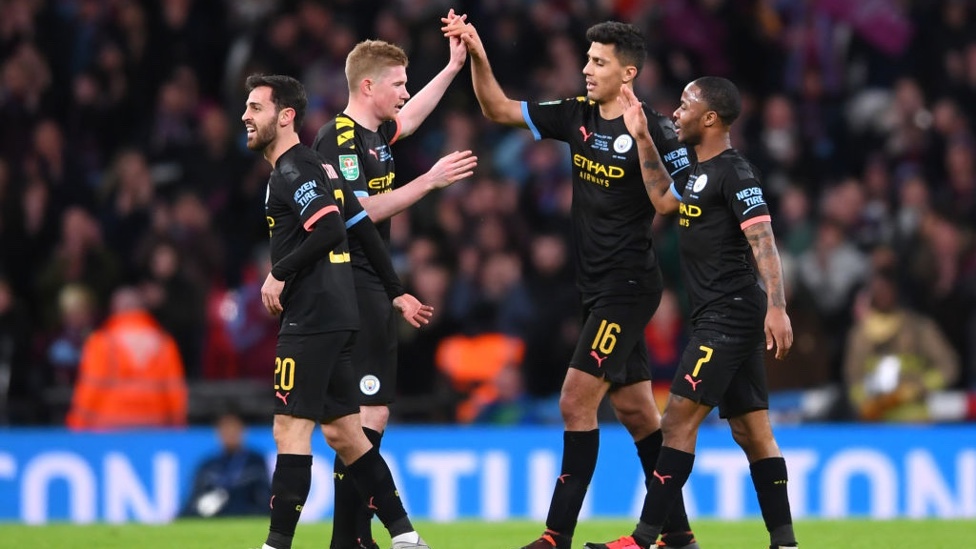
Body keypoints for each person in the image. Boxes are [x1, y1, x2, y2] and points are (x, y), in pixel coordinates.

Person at [442, 17, 699, 549]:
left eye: (598, 62)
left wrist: (643, 138)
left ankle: (556, 535)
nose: (586, 69)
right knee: (634, 410)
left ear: (627, 72)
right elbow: (498, 108)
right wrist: (478, 54)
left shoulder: (658, 128)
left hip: (629, 285)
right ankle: (678, 535)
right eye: (587, 59)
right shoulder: (575, 115)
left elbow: (671, 202)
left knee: (574, 400)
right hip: (596, 286)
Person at [602, 76, 797, 549]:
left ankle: (645, 539)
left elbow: (763, 240)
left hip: (729, 315)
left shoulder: (736, 173)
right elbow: (664, 201)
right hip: (719, 312)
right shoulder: (694, 173)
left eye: (687, 104)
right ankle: (785, 542)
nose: (678, 111)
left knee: (677, 421)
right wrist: (645, 137)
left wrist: (777, 307)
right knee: (751, 430)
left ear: (710, 118)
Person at [242, 73, 434, 549]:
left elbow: (329, 229)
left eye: (256, 108)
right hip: (340, 313)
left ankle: (275, 545)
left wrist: (280, 272)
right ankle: (406, 537)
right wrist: (395, 290)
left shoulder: (294, 169)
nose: (245, 116)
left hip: (311, 316)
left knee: (289, 427)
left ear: (286, 116)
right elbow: (360, 224)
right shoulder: (319, 168)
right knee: (347, 434)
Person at [311, 22, 477, 549]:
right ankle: (353, 537)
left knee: (372, 413)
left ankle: (352, 537)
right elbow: (359, 209)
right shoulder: (337, 137)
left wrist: (452, 69)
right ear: (367, 87)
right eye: (399, 83)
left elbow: (412, 116)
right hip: (346, 280)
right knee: (359, 417)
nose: (405, 91)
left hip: (374, 282)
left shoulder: (376, 137)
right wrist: (428, 180)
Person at [844, 266, 959, 422]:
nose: (882, 295)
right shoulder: (861, 334)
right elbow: (853, 376)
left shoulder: (918, 327)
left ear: (896, 290)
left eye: (886, 289)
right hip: (876, 421)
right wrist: (865, 403)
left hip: (914, 419)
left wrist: (918, 387)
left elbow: (949, 367)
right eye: (877, 290)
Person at [66, 286, 187, 430]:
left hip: (108, 428)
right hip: (154, 427)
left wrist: (76, 425)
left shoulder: (101, 342)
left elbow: (89, 389)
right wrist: (178, 427)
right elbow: (175, 391)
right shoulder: (164, 342)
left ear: (115, 309)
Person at [179, 412, 270, 518]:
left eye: (234, 429)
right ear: (218, 433)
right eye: (225, 429)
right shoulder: (208, 466)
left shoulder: (255, 462)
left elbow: (264, 499)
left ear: (242, 431)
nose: (230, 434)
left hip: (245, 518)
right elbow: (192, 502)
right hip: (213, 520)